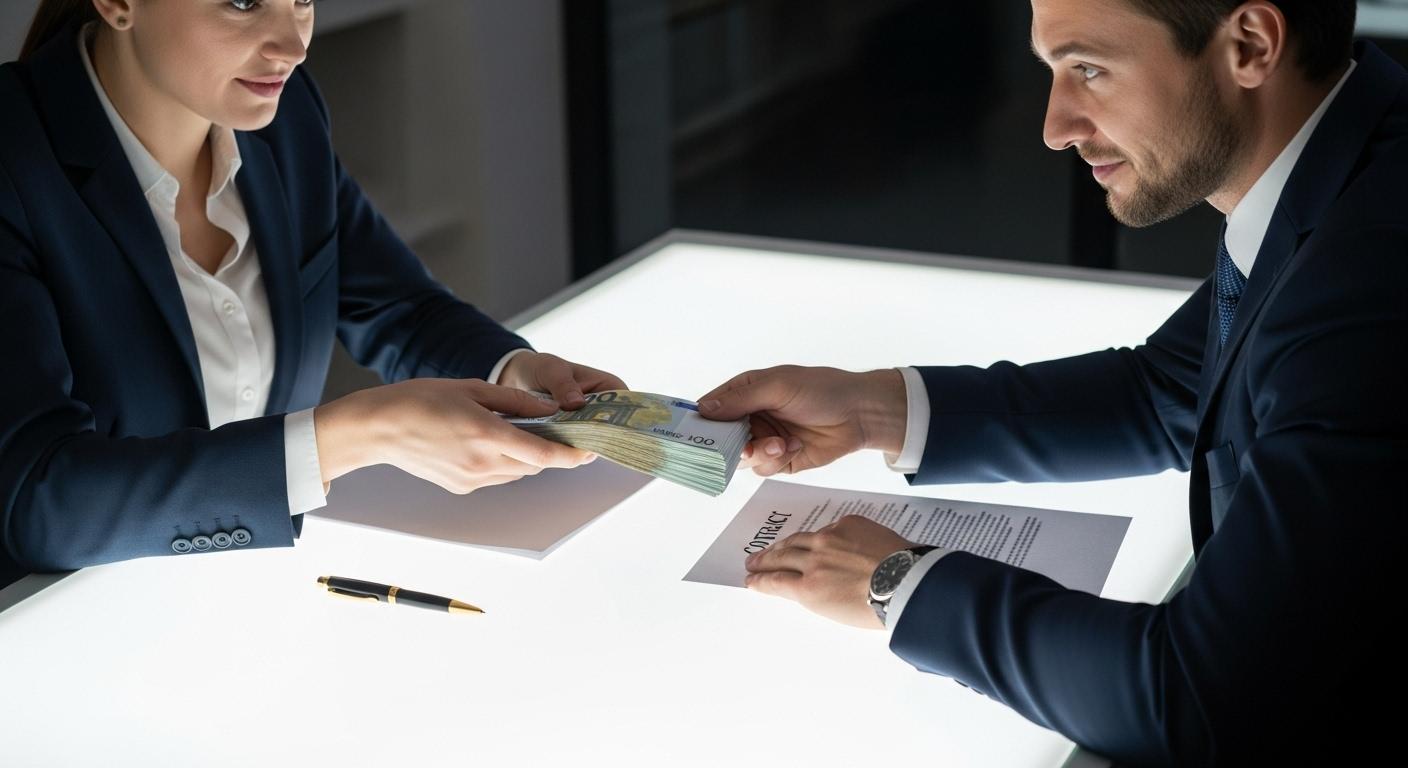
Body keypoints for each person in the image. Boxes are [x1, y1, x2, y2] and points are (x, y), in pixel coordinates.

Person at [698, 0, 1404, 763]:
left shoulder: (1368, 284)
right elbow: (1169, 388)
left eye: (1090, 70)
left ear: (1250, 45)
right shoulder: (1352, 162)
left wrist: (900, 585)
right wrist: (873, 410)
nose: (1055, 125)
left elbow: (1207, 700)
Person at [0, 0, 623, 589]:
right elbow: (37, 501)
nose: (294, 44)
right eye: (244, 2)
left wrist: (513, 373)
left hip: (250, 598)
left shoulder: (285, 118)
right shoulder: (12, 159)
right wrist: (356, 434)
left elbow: (396, 304)